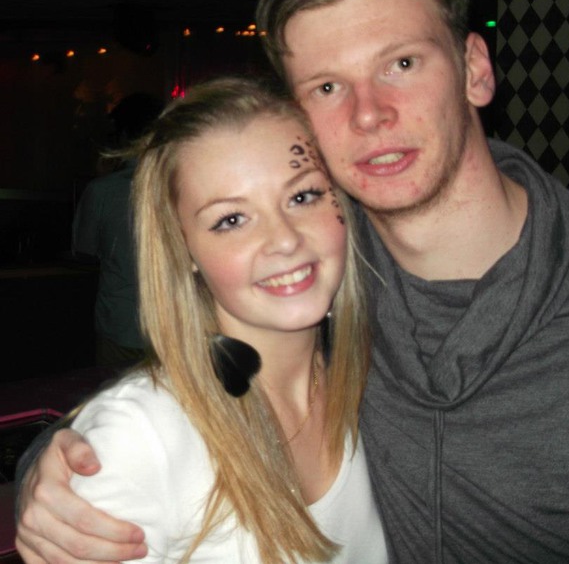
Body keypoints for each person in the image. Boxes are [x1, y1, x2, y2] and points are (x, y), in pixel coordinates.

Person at [16, 0, 569, 564]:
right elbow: (160, 431)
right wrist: (57, 472)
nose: (369, 113)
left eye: (402, 63)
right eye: (327, 87)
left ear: (476, 70)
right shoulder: (325, 268)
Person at [19, 75, 386, 563]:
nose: (284, 239)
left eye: (303, 196)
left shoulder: (383, 385)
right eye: (231, 219)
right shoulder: (139, 438)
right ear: (184, 248)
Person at [73, 93, 163, 367]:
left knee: (117, 391)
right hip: (171, 326)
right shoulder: (181, 187)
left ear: (122, 135)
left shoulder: (102, 191)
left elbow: (84, 252)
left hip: (119, 324)